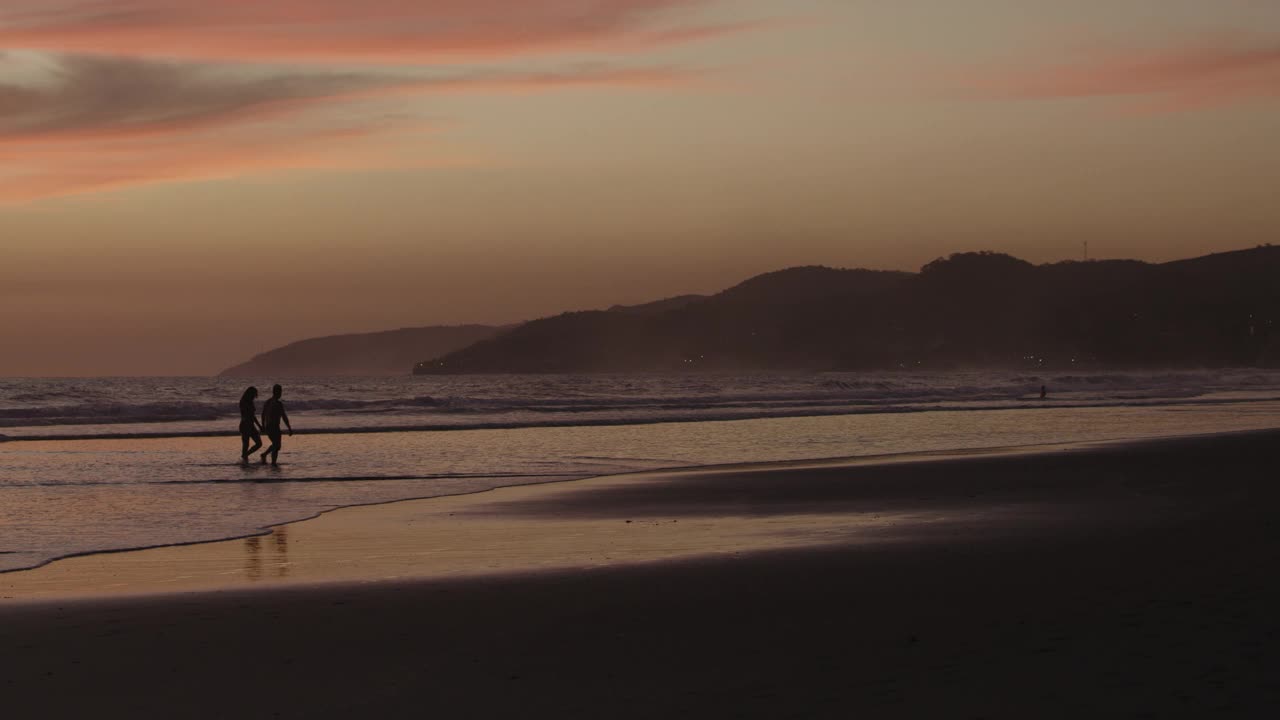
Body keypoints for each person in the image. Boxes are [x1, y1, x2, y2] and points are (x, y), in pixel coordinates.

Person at [260, 384, 293, 466]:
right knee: (276, 445)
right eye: (280, 391)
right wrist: (289, 428)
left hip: (270, 426)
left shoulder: (268, 402)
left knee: (276, 446)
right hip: (273, 427)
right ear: (276, 392)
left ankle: (270, 460)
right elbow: (284, 416)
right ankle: (269, 459)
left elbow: (263, 415)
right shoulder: (277, 403)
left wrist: (263, 425)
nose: (281, 393)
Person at [238, 386, 263, 462]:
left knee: (259, 443)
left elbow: (253, 416)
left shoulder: (250, 402)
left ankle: (245, 455)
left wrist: (259, 426)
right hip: (245, 425)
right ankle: (245, 460)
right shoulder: (243, 402)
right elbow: (246, 415)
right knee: (246, 445)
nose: (254, 397)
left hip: (251, 425)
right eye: (253, 395)